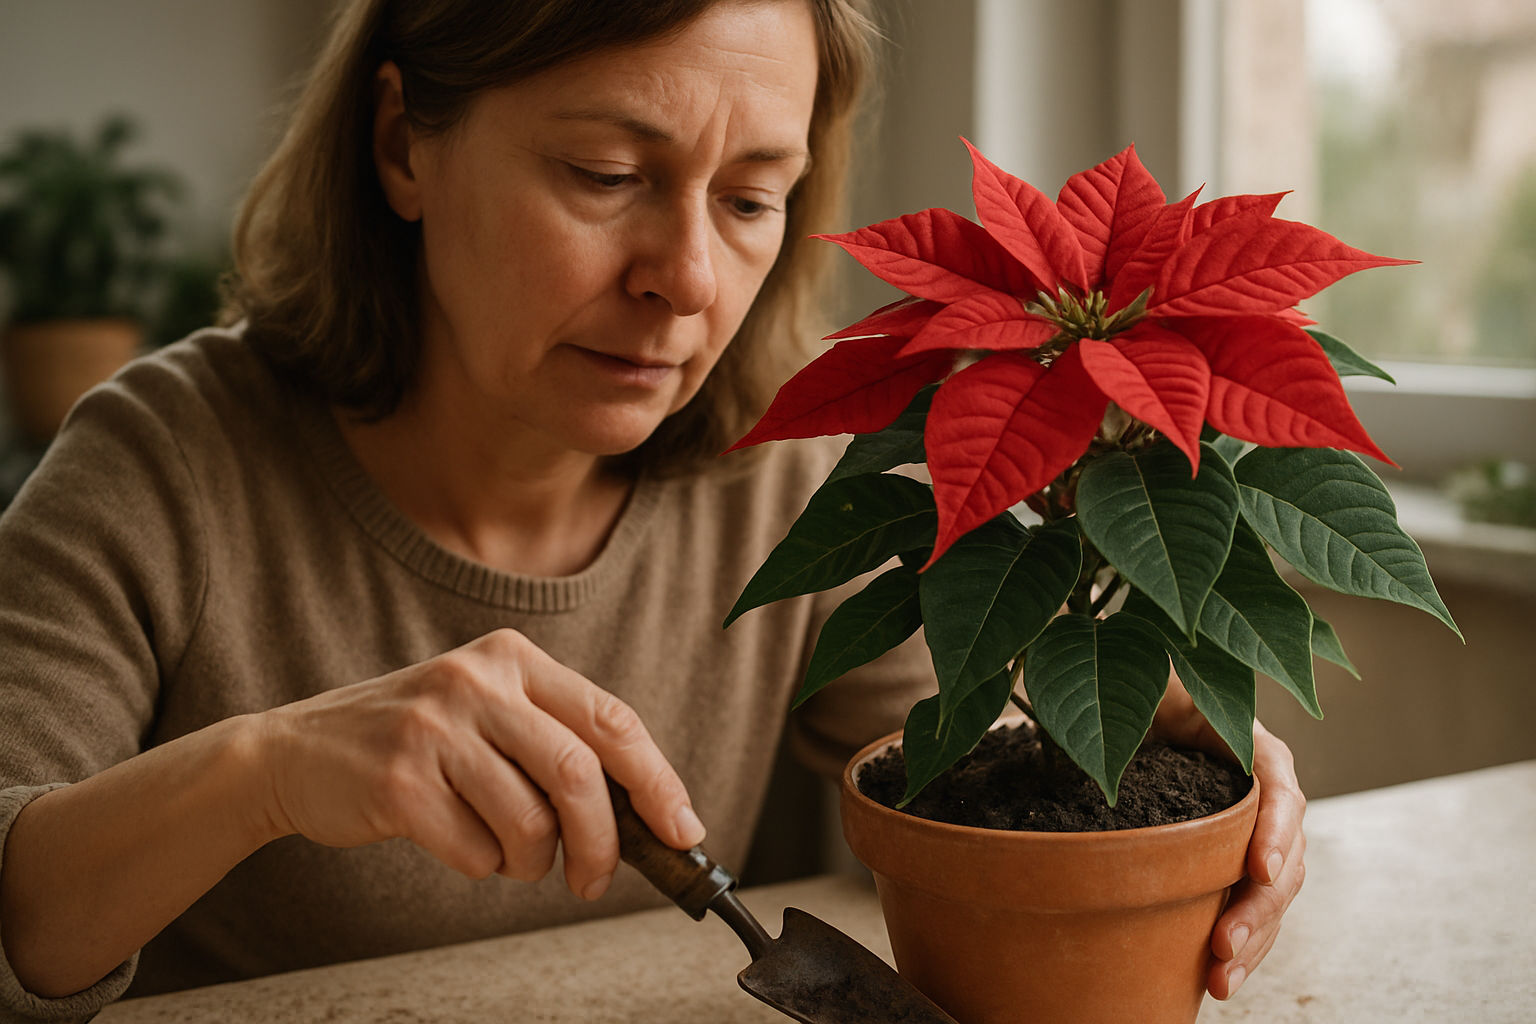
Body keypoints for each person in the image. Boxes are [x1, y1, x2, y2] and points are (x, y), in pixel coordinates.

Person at [0, 0, 1306, 1018]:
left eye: (751, 199)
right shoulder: (161, 466)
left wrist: (1176, 752)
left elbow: (959, 779)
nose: (687, 278)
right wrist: (264, 772)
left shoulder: (786, 484)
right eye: (605, 171)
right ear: (403, 144)